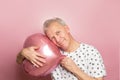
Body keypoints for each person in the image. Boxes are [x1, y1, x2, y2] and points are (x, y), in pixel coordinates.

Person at [16, 17, 106, 80]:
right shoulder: (51, 53)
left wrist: (75, 70)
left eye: (58, 33)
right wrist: (23, 53)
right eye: (52, 38)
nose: (58, 40)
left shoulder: (90, 51)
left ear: (67, 29)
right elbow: (19, 61)